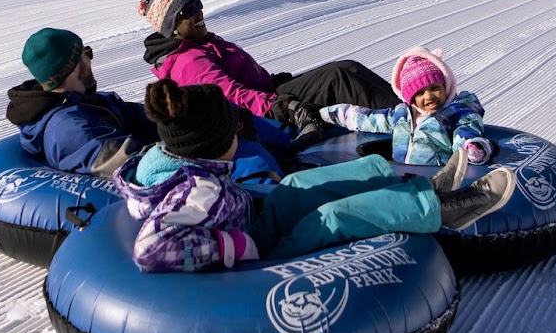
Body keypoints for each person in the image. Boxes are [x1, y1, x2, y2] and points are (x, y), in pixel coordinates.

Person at [114, 79, 517, 272]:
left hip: (252, 222)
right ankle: (441, 208)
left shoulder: (176, 162)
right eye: (232, 132)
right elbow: (151, 249)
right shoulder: (197, 190)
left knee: (296, 184)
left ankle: (422, 186)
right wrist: (231, 245)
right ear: (214, 143)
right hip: (257, 254)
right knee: (329, 218)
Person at [8, 27, 297, 178]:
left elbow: (147, 117)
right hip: (161, 181)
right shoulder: (68, 127)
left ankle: (297, 146)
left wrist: (197, 110)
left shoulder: (91, 102)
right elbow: (127, 162)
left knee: (224, 116)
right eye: (87, 53)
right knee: (234, 148)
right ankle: (283, 191)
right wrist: (195, 143)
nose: (91, 59)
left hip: (165, 156)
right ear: (74, 65)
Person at [136, 0, 396, 136]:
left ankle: (402, 111)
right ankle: (405, 121)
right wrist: (282, 106)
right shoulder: (188, 61)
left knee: (345, 70)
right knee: (340, 76)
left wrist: (273, 82)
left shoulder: (200, 42)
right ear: (173, 27)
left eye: (198, 4)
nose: (199, 12)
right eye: (190, 11)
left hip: (270, 92)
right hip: (265, 112)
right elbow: (230, 97)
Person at [319, 47, 494, 168]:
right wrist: (330, 113)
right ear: (411, 97)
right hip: (403, 174)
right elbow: (369, 119)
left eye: (435, 88)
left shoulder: (456, 113)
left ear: (445, 86)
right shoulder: (402, 115)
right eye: (421, 93)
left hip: (438, 177)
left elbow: (466, 130)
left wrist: (470, 147)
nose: (429, 96)